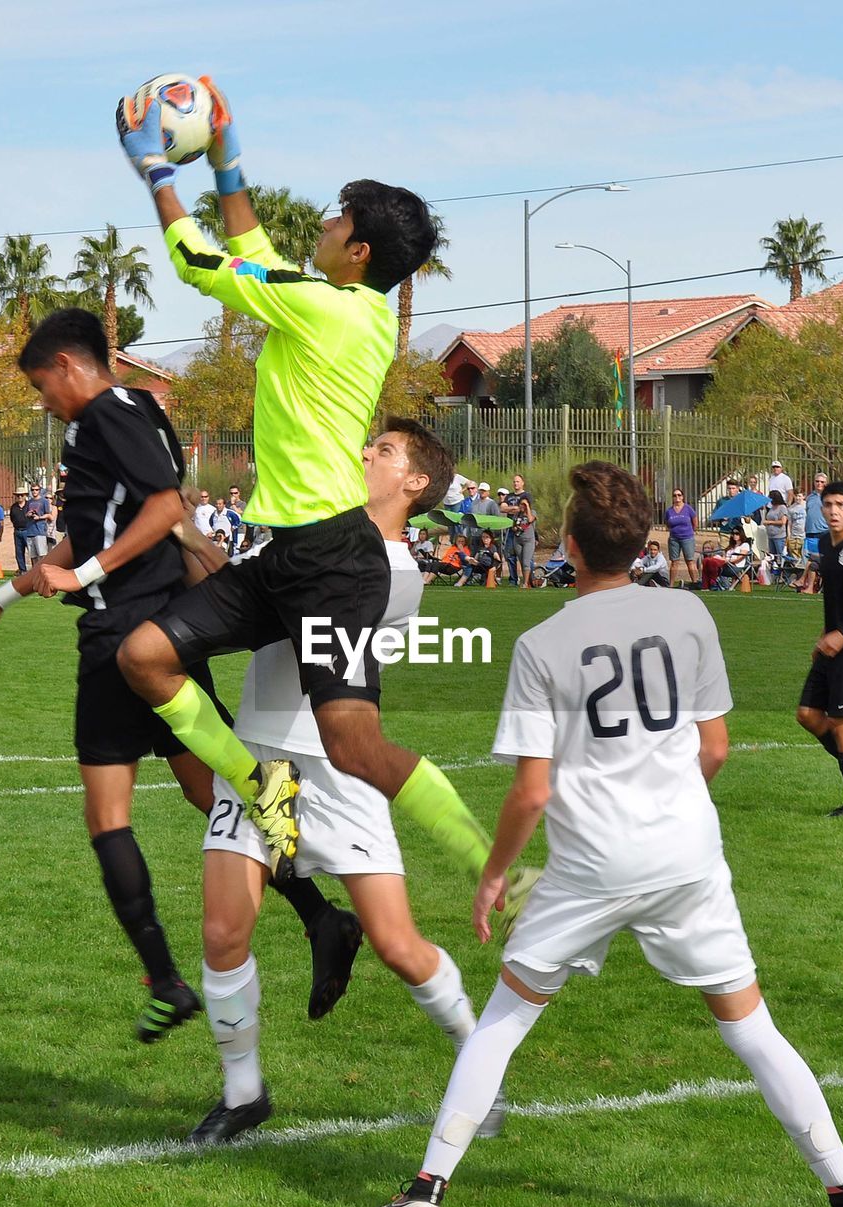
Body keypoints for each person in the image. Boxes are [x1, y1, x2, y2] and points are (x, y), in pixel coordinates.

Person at [373, 460, 843, 1207]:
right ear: (642, 543)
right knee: (750, 1030)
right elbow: (714, 749)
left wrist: (494, 872)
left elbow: (531, 792)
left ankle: (426, 1188)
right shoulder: (690, 618)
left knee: (503, 1018)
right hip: (684, 856)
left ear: (568, 544)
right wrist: (669, 802)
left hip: (590, 867)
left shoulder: (541, 642)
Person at [114, 77, 494, 890]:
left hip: (335, 561)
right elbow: (253, 253)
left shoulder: (329, 309)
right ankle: (261, 789)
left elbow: (199, 262)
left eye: (337, 219)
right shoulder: (337, 303)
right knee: (144, 657)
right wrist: (226, 156)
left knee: (355, 744)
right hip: (286, 553)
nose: (323, 223)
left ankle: (491, 865)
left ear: (357, 251)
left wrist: (156, 171)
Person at [0, 309, 362, 1039]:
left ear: (71, 367)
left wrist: (86, 573)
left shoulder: (109, 414)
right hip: (158, 631)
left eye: (43, 385)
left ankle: (167, 980)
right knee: (214, 790)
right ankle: (321, 916)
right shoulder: (123, 414)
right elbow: (112, 521)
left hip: (122, 637)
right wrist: (2, 596)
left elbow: (167, 508)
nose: (41, 402)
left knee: (109, 817)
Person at [186, 420, 529, 1142]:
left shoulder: (395, 576)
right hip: (261, 759)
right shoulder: (319, 537)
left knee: (398, 944)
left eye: (382, 450)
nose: (363, 452)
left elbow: (271, 614)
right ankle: (243, 1093)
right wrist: (189, 541)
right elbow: (242, 598)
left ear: (414, 483)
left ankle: (476, 1062)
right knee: (223, 932)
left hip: (335, 767)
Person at [795, 480, 843, 818]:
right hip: (833, 640)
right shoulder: (825, 542)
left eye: (841, 504)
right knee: (808, 715)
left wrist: (842, 634)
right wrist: (824, 635)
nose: (834, 511)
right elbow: (835, 599)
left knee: (840, 718)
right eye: (828, 505)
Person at [797, 473, 829, 595]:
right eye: (817, 481)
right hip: (809, 534)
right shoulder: (810, 498)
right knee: (809, 562)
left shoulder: (827, 497)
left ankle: (802, 581)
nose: (819, 484)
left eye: (822, 482)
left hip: (823, 533)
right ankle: (808, 587)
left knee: (814, 559)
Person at [664, 487, 698, 585]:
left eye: (679, 495)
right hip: (674, 538)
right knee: (674, 562)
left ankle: (695, 582)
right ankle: (671, 584)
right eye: (674, 495)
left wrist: (691, 531)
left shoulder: (688, 509)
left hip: (687, 537)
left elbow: (695, 522)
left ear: (682, 497)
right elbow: (667, 523)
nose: (677, 497)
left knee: (690, 561)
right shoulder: (669, 511)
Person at [24, 483, 53, 566]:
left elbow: (48, 515)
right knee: (33, 557)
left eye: (36, 490)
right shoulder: (29, 502)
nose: (34, 491)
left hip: (40, 531)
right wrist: (28, 514)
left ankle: (41, 573)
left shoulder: (44, 501)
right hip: (30, 531)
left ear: (39, 491)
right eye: (32, 490)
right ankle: (34, 575)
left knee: (41, 555)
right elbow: (25, 515)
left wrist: (39, 517)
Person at [8, 487, 32, 575]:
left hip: (28, 531)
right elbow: (12, 518)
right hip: (17, 531)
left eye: (22, 495)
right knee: (19, 552)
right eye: (18, 495)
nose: (20, 497)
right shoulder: (13, 507)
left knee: (31, 551)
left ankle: (34, 569)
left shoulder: (29, 505)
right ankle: (22, 570)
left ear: (25, 496)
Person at [764, 490, 788, 558]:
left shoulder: (782, 507)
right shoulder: (771, 508)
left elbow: (783, 522)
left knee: (780, 555)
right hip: (770, 536)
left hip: (779, 536)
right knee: (772, 556)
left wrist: (770, 522)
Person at [786, 490, 807, 559]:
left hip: (804, 535)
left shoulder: (807, 505)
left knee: (804, 556)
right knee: (795, 558)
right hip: (794, 535)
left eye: (799, 496)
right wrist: (789, 535)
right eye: (796, 496)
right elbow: (789, 523)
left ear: (803, 496)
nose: (797, 498)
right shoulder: (791, 508)